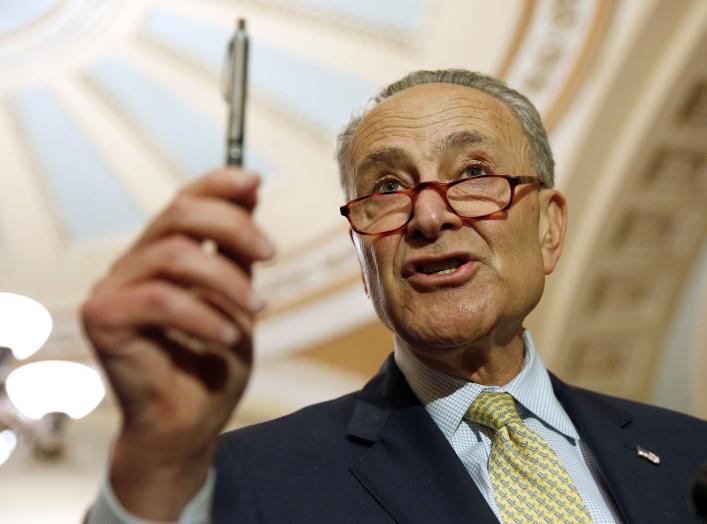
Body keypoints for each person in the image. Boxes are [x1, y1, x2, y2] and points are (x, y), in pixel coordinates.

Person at [83, 70, 707, 524]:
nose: (429, 215)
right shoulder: (253, 478)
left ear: (549, 228)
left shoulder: (690, 453)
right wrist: (156, 460)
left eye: (472, 173)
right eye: (386, 185)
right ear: (362, 255)